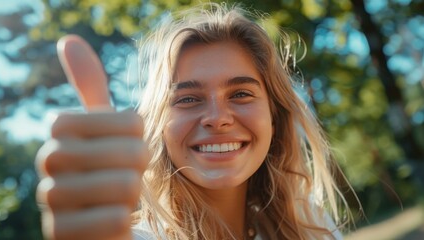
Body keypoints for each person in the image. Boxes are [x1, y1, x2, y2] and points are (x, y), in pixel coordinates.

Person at [35, 2, 349, 240]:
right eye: (187, 99)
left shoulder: (315, 226)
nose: (217, 118)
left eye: (240, 94)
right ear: (158, 127)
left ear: (274, 119)